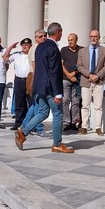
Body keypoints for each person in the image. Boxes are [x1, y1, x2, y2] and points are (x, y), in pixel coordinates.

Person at [15, 22, 74, 153]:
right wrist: (58, 93)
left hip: (40, 86)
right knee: (58, 114)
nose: (61, 35)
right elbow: (53, 71)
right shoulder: (53, 48)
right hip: (50, 88)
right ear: (57, 32)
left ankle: (22, 132)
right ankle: (57, 144)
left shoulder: (40, 46)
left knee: (42, 112)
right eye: (61, 32)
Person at [77, 30, 105, 136]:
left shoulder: (104, 51)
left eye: (95, 36)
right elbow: (79, 66)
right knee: (85, 105)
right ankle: (84, 127)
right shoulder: (82, 51)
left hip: (99, 82)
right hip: (86, 80)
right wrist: (89, 75)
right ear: (89, 37)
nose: (93, 38)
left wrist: (97, 76)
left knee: (98, 106)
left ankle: (98, 127)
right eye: (91, 36)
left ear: (99, 37)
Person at [3, 38, 32, 130]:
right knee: (19, 103)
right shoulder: (17, 55)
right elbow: (5, 58)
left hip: (30, 80)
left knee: (31, 102)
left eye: (27, 45)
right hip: (19, 80)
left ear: (30, 46)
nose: (24, 47)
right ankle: (18, 123)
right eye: (23, 45)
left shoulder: (33, 55)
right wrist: (10, 47)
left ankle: (30, 123)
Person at [22, 29, 47, 136]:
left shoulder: (38, 47)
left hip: (35, 77)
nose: (43, 38)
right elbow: (35, 65)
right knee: (39, 105)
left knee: (35, 104)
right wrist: (39, 81)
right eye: (40, 36)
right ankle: (39, 128)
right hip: (35, 77)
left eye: (45, 36)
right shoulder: (36, 48)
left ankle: (24, 125)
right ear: (36, 38)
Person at [60, 33, 83, 131]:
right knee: (65, 100)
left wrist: (74, 73)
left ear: (76, 40)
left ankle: (74, 122)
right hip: (65, 79)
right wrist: (68, 75)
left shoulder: (81, 50)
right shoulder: (64, 50)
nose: (69, 42)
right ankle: (66, 122)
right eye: (68, 40)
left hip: (77, 79)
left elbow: (83, 64)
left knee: (76, 101)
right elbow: (61, 64)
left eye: (71, 40)